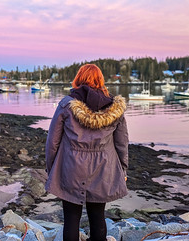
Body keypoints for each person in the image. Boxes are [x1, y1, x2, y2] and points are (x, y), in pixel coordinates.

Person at [45, 64, 129, 241]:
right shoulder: (115, 108)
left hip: (71, 166)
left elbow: (52, 141)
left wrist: (51, 167)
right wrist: (123, 169)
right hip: (104, 167)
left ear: (79, 79)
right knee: (98, 214)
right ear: (101, 80)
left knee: (71, 218)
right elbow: (122, 143)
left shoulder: (66, 104)